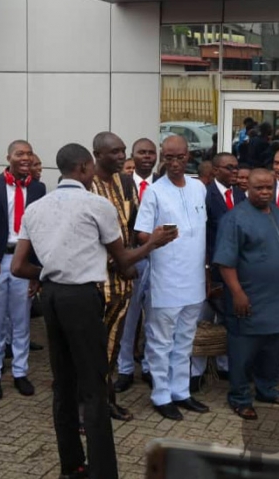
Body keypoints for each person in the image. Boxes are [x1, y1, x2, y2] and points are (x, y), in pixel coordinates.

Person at [11, 143, 177, 479]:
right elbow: (123, 259)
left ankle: (72, 466)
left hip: (51, 297)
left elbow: (17, 267)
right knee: (94, 385)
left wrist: (48, 273)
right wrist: (153, 243)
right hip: (82, 298)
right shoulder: (97, 205)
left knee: (63, 384)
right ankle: (102, 471)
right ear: (85, 167)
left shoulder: (35, 208)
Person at [135, 135, 209, 421]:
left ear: (188, 156)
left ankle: (181, 391)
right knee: (161, 340)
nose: (174, 163)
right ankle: (161, 394)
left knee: (185, 339)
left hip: (194, 278)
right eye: (169, 157)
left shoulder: (198, 188)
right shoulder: (154, 192)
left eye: (179, 157)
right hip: (166, 278)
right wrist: (155, 238)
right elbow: (141, 234)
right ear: (162, 158)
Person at [213, 168, 279, 420]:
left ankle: (267, 389)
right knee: (243, 351)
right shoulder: (235, 218)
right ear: (247, 188)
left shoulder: (278, 213)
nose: (264, 192)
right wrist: (237, 292)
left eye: (268, 187)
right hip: (249, 297)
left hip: (278, 298)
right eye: (258, 188)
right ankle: (239, 397)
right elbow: (225, 262)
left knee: (272, 348)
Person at [0, 140, 46, 401]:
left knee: (21, 320)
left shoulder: (38, 188)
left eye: (29, 153)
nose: (25, 158)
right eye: (20, 153)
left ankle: (20, 372)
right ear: (9, 157)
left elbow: (40, 231)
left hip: (23, 262)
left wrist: (36, 272)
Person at [89, 132, 139, 421]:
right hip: (95, 281)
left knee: (113, 344)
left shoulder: (127, 183)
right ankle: (87, 408)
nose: (121, 156)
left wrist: (129, 257)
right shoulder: (86, 185)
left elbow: (132, 226)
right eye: (115, 152)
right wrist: (118, 259)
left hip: (123, 279)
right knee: (91, 347)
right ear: (97, 154)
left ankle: (107, 401)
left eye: (123, 151)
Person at [191, 152, 244, 390]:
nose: (234, 171)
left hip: (234, 270)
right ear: (215, 171)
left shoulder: (241, 195)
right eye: (229, 168)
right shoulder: (205, 195)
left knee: (227, 320)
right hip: (209, 268)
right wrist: (204, 270)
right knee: (201, 321)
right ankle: (196, 371)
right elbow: (200, 234)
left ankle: (224, 366)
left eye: (236, 167)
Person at [116, 138, 158, 392]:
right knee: (128, 319)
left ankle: (150, 368)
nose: (147, 156)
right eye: (142, 152)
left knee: (154, 319)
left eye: (151, 152)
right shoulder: (121, 183)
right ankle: (125, 369)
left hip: (158, 260)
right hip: (130, 259)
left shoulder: (163, 184)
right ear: (133, 155)